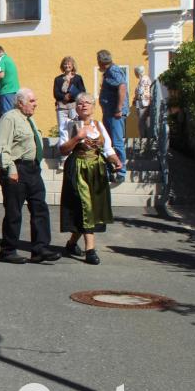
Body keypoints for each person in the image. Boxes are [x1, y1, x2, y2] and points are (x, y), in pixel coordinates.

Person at [0, 88, 62, 264]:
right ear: (20, 102)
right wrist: (10, 169)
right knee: (14, 212)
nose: (35, 104)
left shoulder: (29, 120)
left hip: (32, 170)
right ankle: (8, 251)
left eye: (35, 100)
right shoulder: (10, 118)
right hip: (17, 168)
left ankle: (40, 249)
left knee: (40, 208)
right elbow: (1, 147)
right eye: (31, 101)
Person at [58, 94, 122, 265]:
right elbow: (63, 150)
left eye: (87, 102)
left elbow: (108, 148)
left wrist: (116, 160)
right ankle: (90, 250)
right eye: (80, 103)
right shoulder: (69, 125)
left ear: (94, 106)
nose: (84, 105)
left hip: (97, 170)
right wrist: (78, 137)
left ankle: (72, 243)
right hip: (78, 167)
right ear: (76, 107)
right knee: (85, 204)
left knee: (90, 207)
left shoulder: (99, 125)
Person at [97, 49, 129, 183]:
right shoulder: (108, 72)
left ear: (101, 61)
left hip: (115, 114)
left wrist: (119, 108)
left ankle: (121, 171)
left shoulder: (113, 71)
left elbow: (122, 87)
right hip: (109, 113)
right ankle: (112, 168)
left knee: (117, 142)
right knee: (108, 142)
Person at [52, 56, 86, 133]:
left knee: (75, 128)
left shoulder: (78, 78)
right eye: (65, 64)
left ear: (73, 65)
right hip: (61, 107)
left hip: (73, 106)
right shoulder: (58, 79)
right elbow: (56, 93)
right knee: (62, 129)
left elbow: (82, 92)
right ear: (62, 66)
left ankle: (75, 144)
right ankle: (64, 144)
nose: (67, 66)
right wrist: (64, 97)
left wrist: (70, 96)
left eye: (69, 64)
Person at [0, 45, 20, 121]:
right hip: (14, 90)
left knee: (7, 117)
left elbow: (1, 75)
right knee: (13, 116)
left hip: (6, 91)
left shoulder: (1, 60)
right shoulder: (9, 59)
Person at [133, 65, 153, 138]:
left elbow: (141, 92)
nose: (135, 74)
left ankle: (144, 138)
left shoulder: (144, 79)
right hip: (143, 103)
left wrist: (135, 98)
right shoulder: (144, 79)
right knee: (144, 122)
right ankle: (146, 137)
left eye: (135, 72)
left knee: (142, 122)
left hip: (143, 104)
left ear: (138, 72)